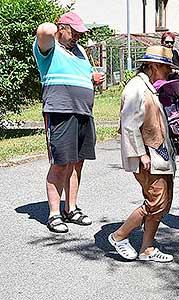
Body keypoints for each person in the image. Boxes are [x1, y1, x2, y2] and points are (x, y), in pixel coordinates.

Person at [33, 11, 105, 233]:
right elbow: (43, 30)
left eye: (80, 33)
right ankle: (54, 214)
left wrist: (92, 78)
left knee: (77, 162)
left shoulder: (80, 50)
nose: (77, 37)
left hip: (83, 112)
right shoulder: (49, 48)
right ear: (61, 28)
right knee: (61, 163)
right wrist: (57, 27)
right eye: (73, 31)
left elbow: (82, 73)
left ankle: (70, 208)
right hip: (60, 111)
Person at [108, 46, 178, 262]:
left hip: (159, 155)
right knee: (155, 201)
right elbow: (129, 124)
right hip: (148, 156)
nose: (169, 72)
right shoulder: (136, 88)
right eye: (166, 67)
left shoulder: (148, 87)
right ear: (154, 66)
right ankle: (119, 236)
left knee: (163, 202)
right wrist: (140, 154)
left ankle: (147, 248)